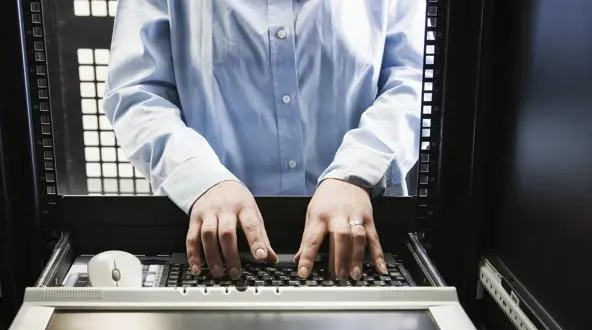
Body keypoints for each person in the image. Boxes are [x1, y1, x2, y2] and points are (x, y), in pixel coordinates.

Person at [104, 0, 424, 281]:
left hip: (359, 243)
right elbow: (138, 94)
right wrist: (201, 180)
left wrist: (356, 173)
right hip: (218, 251)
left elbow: (415, 81)